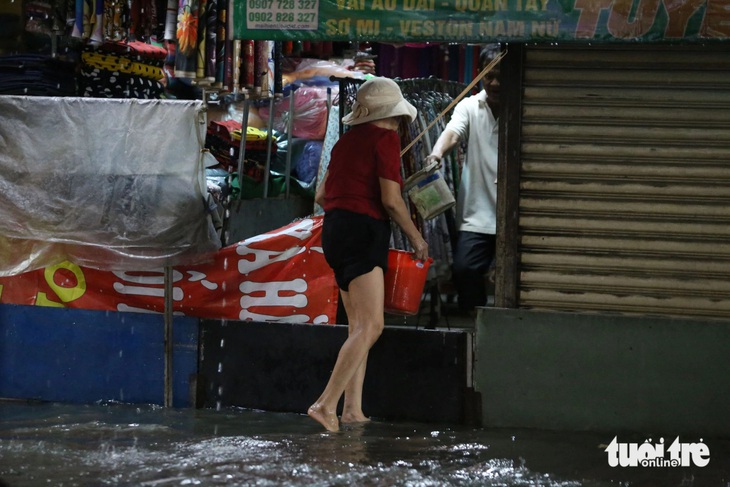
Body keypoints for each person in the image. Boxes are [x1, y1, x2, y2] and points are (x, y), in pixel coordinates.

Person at [309, 77, 429, 432]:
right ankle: (325, 404)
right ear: (395, 114)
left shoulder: (346, 143)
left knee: (357, 327)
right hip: (363, 232)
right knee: (373, 325)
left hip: (335, 231)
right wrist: (417, 238)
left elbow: (320, 196)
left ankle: (352, 410)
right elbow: (392, 201)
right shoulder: (386, 139)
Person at [426, 44, 501, 314]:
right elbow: (453, 132)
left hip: (513, 215)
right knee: (465, 269)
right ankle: (477, 321)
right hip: (476, 215)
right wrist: (436, 153)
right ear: (479, 74)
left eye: (500, 76)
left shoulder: (522, 106)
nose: (493, 82)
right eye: (488, 75)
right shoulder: (469, 106)